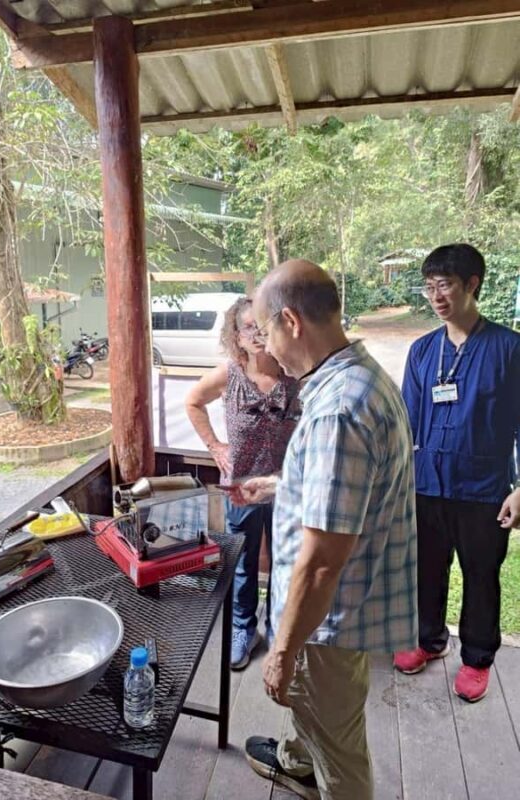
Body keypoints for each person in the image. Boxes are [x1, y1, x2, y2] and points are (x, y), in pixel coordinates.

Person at [227, 260, 417, 800]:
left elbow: (323, 561)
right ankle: (297, 761)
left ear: (290, 321)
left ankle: (321, 772)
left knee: (341, 747)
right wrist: (278, 486)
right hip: (341, 609)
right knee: (321, 718)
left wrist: (282, 651)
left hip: (325, 621)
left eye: (264, 334)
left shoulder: (338, 410)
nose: (263, 348)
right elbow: (343, 494)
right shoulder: (361, 375)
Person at [393, 244, 520, 703]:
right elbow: (405, 423)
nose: (435, 296)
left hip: (484, 488)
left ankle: (477, 657)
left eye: (444, 285)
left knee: (481, 574)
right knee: (426, 567)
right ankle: (428, 640)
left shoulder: (509, 348)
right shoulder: (423, 351)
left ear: (472, 284)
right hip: (427, 483)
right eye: (429, 287)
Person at [185, 296, 300, 670]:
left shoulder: (293, 375)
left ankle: (279, 629)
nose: (256, 334)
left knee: (286, 560)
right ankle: (242, 628)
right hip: (241, 486)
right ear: (235, 334)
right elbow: (193, 402)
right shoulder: (228, 374)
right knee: (242, 564)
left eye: (261, 325)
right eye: (247, 327)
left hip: (286, 486)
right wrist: (215, 446)